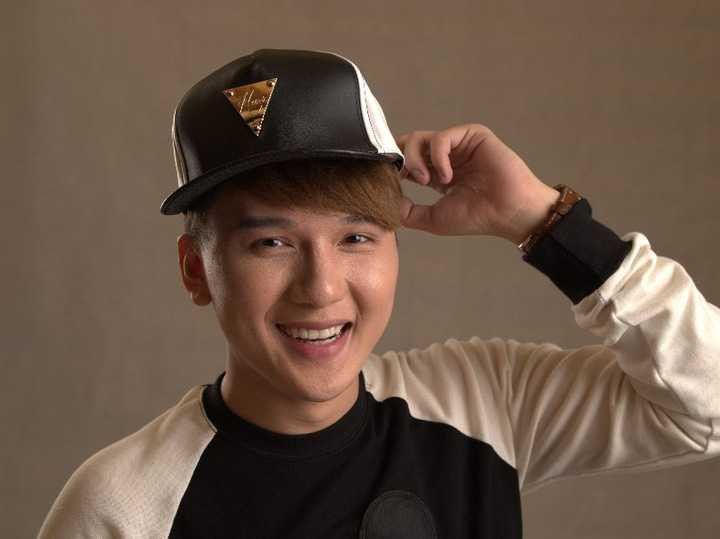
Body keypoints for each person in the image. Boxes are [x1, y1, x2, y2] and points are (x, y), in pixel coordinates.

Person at [38, 48, 720, 539]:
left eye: (356, 237)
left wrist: (545, 222)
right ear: (195, 270)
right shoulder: (122, 508)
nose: (321, 287)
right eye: (271, 242)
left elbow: (707, 403)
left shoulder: (482, 401)